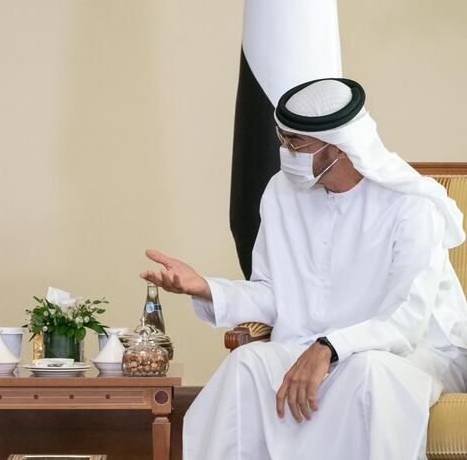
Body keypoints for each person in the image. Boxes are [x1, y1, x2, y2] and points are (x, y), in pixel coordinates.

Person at [141, 78, 467, 460]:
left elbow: (406, 320)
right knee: (246, 365)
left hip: (410, 353)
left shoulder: (411, 206)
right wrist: (206, 288)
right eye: (283, 140)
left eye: (296, 144)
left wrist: (329, 348)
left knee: (369, 374)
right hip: (310, 342)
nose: (285, 152)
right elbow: (277, 293)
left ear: (339, 148)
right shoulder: (281, 193)